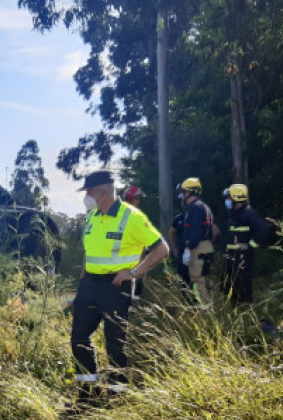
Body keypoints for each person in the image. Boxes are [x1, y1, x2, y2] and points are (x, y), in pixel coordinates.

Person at [72, 170, 169, 401]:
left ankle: (118, 396)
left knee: (115, 344)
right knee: (78, 338)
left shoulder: (132, 217)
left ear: (103, 192)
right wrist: (84, 277)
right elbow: (89, 250)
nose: (86, 196)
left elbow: (161, 249)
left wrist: (134, 273)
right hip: (89, 286)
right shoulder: (92, 216)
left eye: (89, 191)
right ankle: (88, 394)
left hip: (115, 286)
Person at [220, 184, 271, 305]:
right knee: (231, 288)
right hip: (232, 258)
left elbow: (263, 230)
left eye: (229, 198)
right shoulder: (235, 215)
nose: (227, 201)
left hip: (242, 259)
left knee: (243, 289)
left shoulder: (249, 214)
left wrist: (250, 246)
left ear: (236, 199)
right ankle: (234, 313)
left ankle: (246, 314)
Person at [177, 177, 215, 306]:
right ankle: (204, 310)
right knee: (200, 281)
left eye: (183, 193)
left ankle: (205, 313)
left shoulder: (196, 209)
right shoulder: (202, 207)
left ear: (189, 192)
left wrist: (188, 248)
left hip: (198, 248)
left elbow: (196, 231)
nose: (182, 196)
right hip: (204, 246)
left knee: (197, 282)